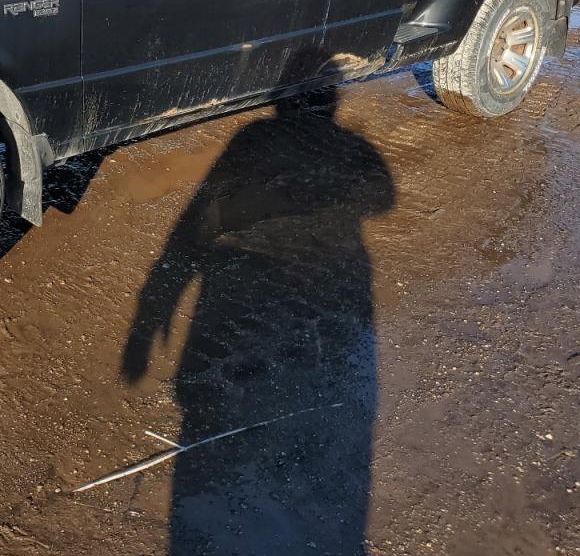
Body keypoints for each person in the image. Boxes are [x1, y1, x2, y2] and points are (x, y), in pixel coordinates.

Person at [123, 77, 395, 554]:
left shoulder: (251, 138)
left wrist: (155, 309)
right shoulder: (286, 144)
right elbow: (383, 199)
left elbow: (199, 216)